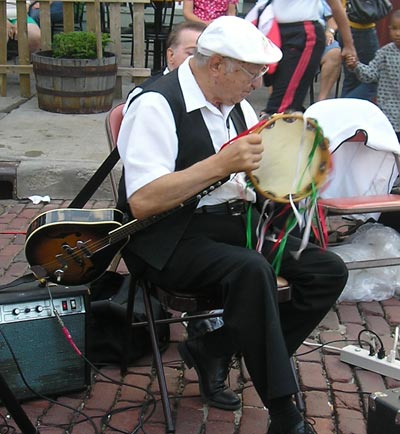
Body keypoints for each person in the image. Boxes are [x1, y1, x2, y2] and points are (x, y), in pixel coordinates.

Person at [118, 16, 348, 434]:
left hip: (231, 226)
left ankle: (213, 347)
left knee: (327, 271)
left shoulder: (236, 105)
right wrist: (220, 164)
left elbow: (250, 177)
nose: (259, 82)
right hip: (167, 237)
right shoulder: (155, 103)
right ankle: (285, 414)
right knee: (251, 270)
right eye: (253, 71)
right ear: (218, 64)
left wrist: (293, 175)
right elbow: (143, 202)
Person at [262, 0, 355, 116]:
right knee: (282, 99)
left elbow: (336, 7)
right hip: (274, 31)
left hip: (303, 33)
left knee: (282, 105)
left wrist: (348, 45)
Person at [345, 10, 400, 142]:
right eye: (394, 29)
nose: (398, 33)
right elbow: (370, 75)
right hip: (389, 114)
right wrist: (356, 66)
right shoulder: (384, 53)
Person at [339, 0, 379, 100]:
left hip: (346, 25)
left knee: (352, 79)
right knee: (373, 79)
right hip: (361, 26)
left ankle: (342, 110)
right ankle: (345, 107)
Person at [317, 0, 342, 100]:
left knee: (334, 52)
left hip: (320, 35)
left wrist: (330, 31)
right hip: (291, 36)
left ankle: (321, 100)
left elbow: (332, 19)